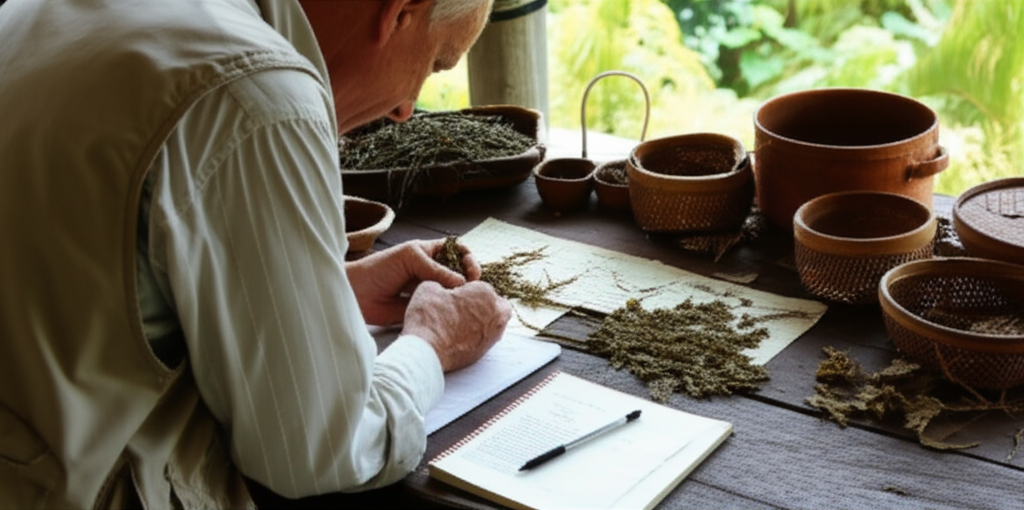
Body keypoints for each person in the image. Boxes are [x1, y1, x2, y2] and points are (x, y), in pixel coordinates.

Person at [0, 0, 512, 508]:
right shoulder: (259, 95)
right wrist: (431, 342)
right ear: (401, 10)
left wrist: (333, 289)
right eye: (435, 62)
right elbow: (314, 451)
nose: (406, 109)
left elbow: (93, 271)